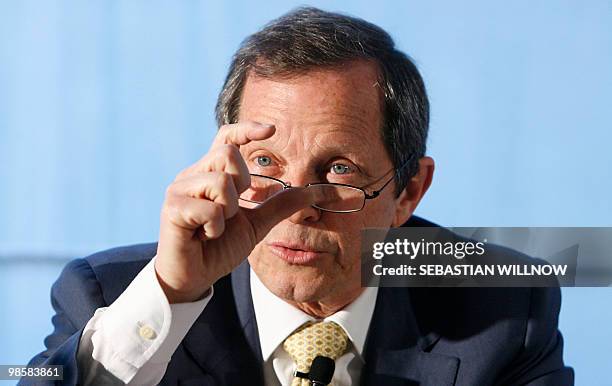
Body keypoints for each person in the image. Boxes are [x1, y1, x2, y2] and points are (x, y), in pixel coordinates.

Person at [22, 7, 573, 386]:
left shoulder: (505, 305)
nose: (298, 206)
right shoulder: (109, 294)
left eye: (337, 170)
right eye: (264, 163)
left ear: (408, 192)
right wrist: (170, 294)